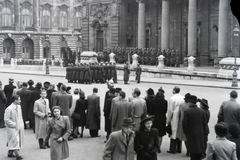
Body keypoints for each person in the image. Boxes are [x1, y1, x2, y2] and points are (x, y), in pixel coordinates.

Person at [182, 95, 207, 160]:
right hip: (200, 134)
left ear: (190, 102)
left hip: (191, 134)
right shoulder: (202, 111)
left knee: (193, 154)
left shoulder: (187, 111)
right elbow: (205, 123)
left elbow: (184, 124)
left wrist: (186, 132)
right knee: (198, 152)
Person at [4, 95, 24, 160]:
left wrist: (21, 124)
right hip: (12, 127)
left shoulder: (19, 107)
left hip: (19, 126)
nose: (20, 101)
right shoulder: (9, 109)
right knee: (15, 140)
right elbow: (6, 119)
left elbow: (20, 116)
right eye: (19, 99)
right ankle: (17, 155)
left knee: (15, 140)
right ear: (15, 100)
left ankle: (10, 153)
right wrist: (14, 125)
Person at [166, 86, 184, 154]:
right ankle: (179, 148)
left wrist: (168, 119)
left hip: (174, 116)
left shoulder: (172, 99)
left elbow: (170, 110)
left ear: (174, 91)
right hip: (180, 115)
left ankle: (172, 149)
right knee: (179, 131)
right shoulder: (182, 98)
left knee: (173, 132)